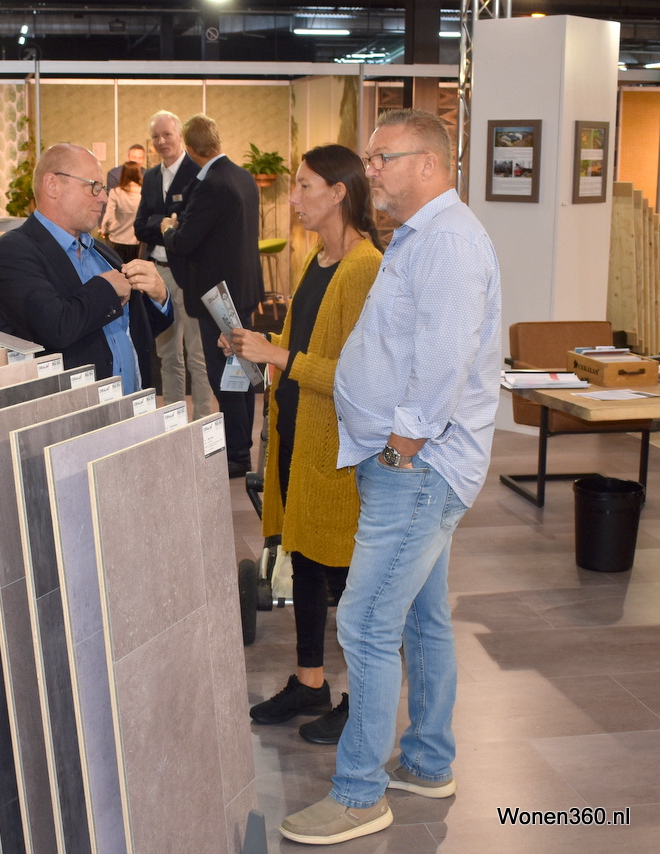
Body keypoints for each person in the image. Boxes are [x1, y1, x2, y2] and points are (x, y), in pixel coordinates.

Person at [279, 109, 501, 845]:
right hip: (408, 463)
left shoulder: (450, 243)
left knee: (366, 623)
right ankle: (429, 762)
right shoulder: (419, 236)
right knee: (418, 618)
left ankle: (358, 794)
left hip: (418, 467)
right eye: (369, 158)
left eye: (383, 158)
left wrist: (401, 451)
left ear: (429, 164)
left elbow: (442, 365)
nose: (368, 170)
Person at [221, 144, 383, 744]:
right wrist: (254, 347)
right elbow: (296, 347)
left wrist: (278, 354)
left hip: (337, 446)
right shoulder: (319, 259)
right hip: (300, 433)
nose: (294, 198)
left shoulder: (364, 268)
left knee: (345, 579)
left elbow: (359, 378)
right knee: (307, 563)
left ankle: (361, 703)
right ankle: (311, 682)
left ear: (339, 193)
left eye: (304, 186)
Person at [0, 143, 172, 393]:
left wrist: (159, 298)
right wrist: (107, 288)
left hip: (130, 408)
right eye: (93, 186)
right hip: (71, 411)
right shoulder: (13, 252)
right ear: (52, 185)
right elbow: (55, 328)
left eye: (103, 188)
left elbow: (133, 330)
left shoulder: (101, 251)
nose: (103, 197)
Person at [159, 114, 263, 477]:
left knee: (228, 375)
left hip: (219, 297)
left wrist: (168, 229)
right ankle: (240, 448)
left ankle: (236, 454)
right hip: (243, 290)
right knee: (243, 372)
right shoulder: (243, 176)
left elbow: (186, 241)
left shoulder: (210, 184)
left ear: (189, 148)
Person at [133, 111, 214, 420]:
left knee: (197, 356)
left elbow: (192, 231)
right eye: (155, 136)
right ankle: (173, 421)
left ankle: (203, 421)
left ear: (180, 136)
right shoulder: (151, 176)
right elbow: (140, 227)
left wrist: (163, 224)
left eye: (167, 134)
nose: (161, 141)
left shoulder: (198, 173)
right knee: (167, 355)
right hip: (158, 275)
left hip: (190, 274)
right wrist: (166, 223)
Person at [100, 161, 143, 261]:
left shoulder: (116, 192)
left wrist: (104, 230)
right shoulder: (143, 192)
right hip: (137, 241)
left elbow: (109, 216)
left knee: (118, 268)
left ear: (123, 173)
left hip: (118, 240)